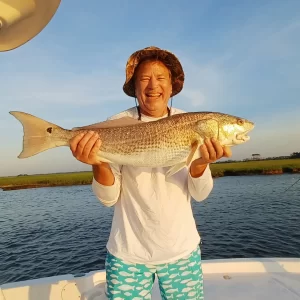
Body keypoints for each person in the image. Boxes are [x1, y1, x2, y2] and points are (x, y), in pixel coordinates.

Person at [70, 46, 232, 300]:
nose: (153, 85)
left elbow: (200, 194)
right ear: (134, 87)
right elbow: (108, 198)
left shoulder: (191, 124)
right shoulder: (116, 125)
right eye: (144, 78)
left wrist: (200, 164)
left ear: (172, 86)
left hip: (181, 251)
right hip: (127, 254)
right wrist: (98, 163)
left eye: (161, 78)